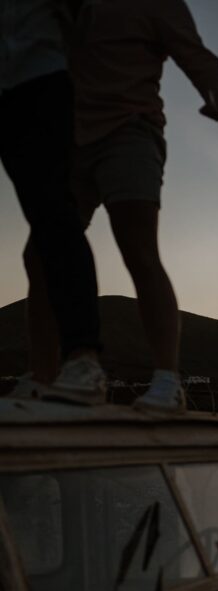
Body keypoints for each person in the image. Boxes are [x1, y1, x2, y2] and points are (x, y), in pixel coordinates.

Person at [23, 0, 218, 411]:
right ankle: (43, 378)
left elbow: (194, 55)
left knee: (138, 248)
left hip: (130, 132)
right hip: (70, 140)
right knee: (40, 254)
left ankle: (167, 381)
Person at [2, 0, 106, 405]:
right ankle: (45, 375)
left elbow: (84, 21)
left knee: (53, 215)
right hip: (8, 87)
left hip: (43, 80)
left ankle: (83, 358)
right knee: (43, 220)